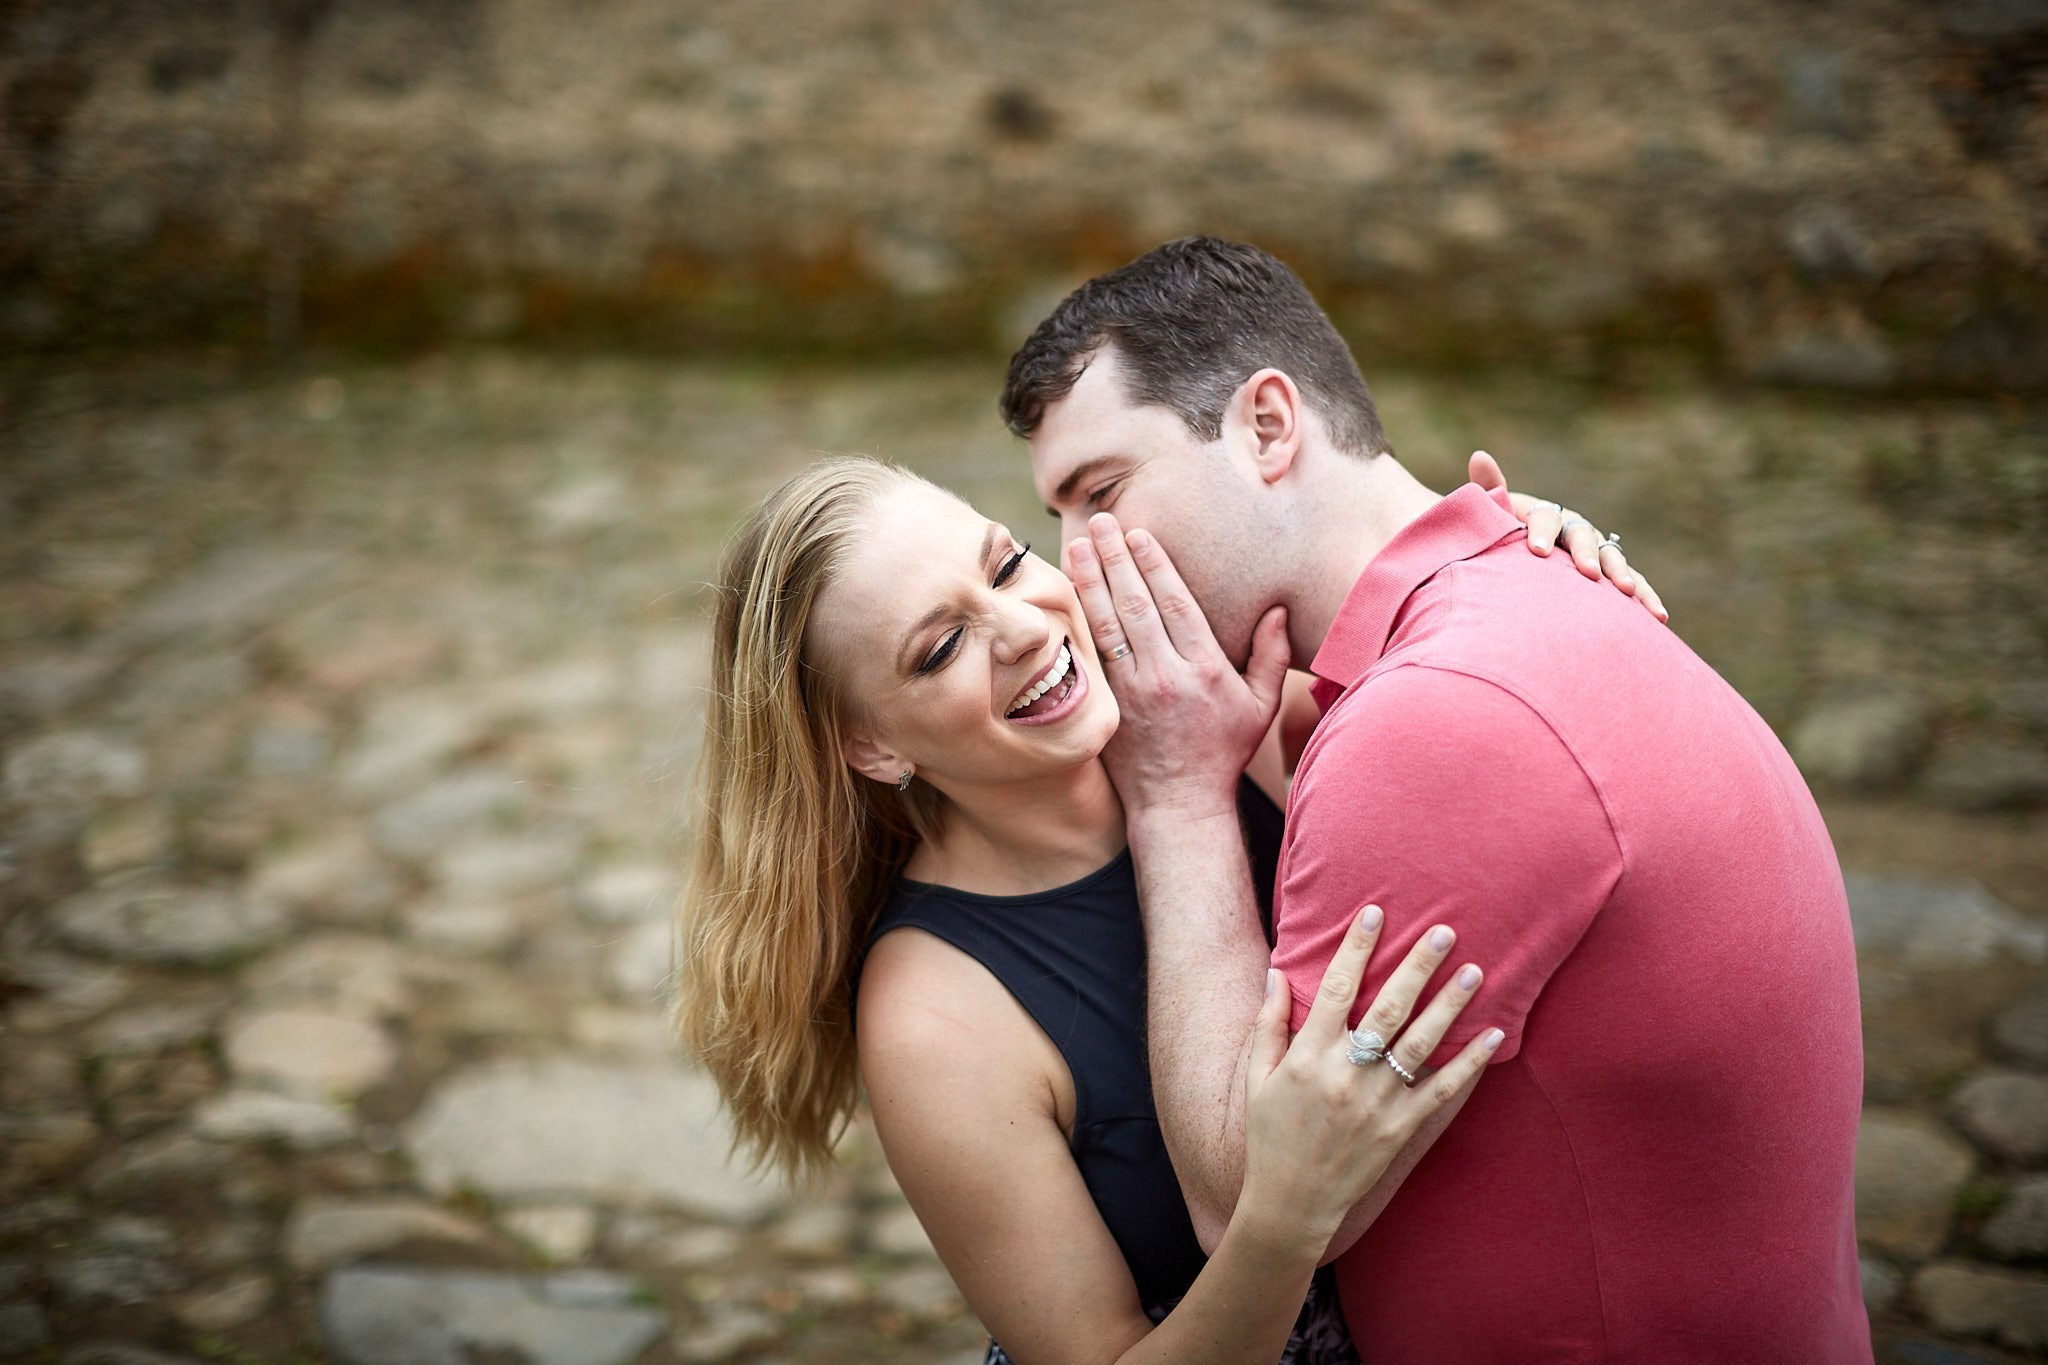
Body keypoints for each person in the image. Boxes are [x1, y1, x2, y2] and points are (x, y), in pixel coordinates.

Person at [1001, 236, 1872, 1363]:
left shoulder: (1435, 721)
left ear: (1268, 426)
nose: (1077, 562)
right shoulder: (1515, 579)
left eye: (1101, 494)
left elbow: (1249, 1199)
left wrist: (1173, 796)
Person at [673, 453, 1648, 1364]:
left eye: (1006, 565)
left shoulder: (1212, 697)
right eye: (940, 649)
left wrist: (1522, 564)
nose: (1021, 628)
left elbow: (1446, 681)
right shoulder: (932, 1018)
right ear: (871, 749)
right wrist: (1280, 1218)